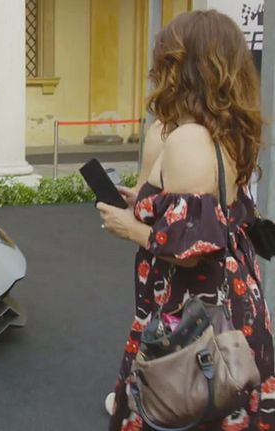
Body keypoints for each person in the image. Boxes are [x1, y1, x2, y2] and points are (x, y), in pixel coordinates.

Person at [96, 10, 275, 430]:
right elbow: (202, 214)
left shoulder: (187, 139)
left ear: (186, 67)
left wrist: (131, 228)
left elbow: (190, 249)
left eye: (167, 62)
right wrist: (146, 201)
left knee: (182, 407)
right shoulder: (225, 133)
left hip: (195, 316)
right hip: (232, 301)